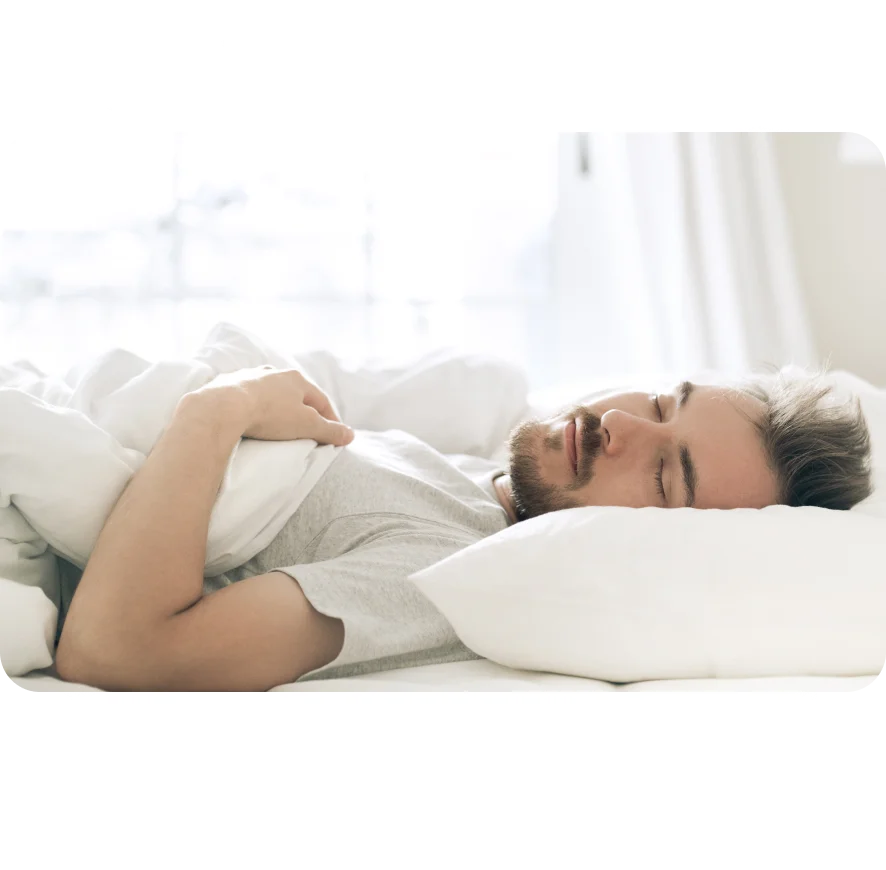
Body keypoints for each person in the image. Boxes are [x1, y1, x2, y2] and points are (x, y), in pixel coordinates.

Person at [54, 363, 873, 692]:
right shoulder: (484, 478)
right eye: (662, 404)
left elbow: (117, 651)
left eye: (665, 476)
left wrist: (216, 408)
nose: (618, 425)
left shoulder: (444, 576)